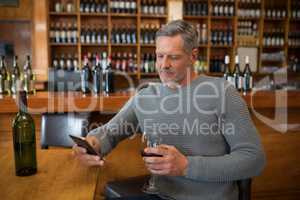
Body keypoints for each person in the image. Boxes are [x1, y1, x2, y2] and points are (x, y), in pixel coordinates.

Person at [73, 20, 266, 200]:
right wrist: (92, 144)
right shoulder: (146, 95)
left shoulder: (222, 93)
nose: (164, 65)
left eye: (173, 57)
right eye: (159, 56)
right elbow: (109, 133)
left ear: (193, 56)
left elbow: (253, 158)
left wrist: (186, 166)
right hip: (159, 194)